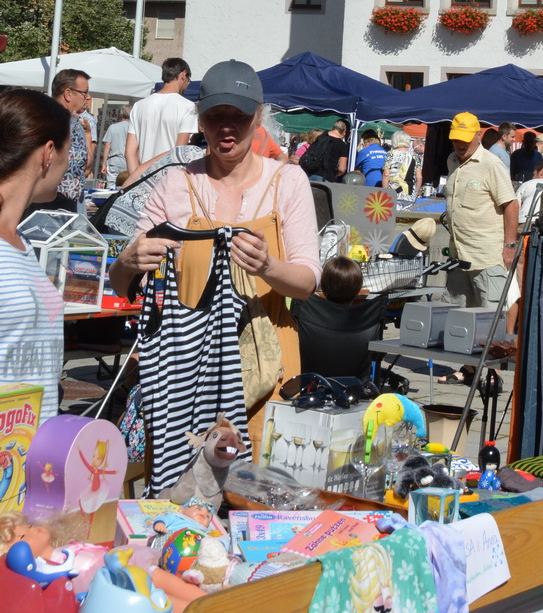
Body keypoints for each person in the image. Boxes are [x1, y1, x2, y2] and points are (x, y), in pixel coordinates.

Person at [110, 59, 322, 450]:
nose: (227, 127)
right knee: (184, 496)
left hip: (267, 370)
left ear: (258, 117)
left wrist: (267, 266)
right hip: (186, 376)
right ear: (200, 120)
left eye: (238, 116)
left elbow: (307, 283)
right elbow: (123, 283)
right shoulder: (177, 182)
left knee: (254, 499)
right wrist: (127, 261)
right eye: (215, 116)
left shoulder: (287, 181)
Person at [0, 88, 73, 417]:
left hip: (28, 458)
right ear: (47, 153)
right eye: (67, 151)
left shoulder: (22, 241)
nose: (68, 163)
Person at [443, 111, 518, 306]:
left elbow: (511, 204)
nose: (460, 144)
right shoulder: (451, 161)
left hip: (486, 259)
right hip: (458, 258)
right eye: (456, 139)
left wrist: (510, 246)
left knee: (488, 326)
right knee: (458, 325)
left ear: (478, 136)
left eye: (465, 139)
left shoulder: (491, 164)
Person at [291, 256, 395, 379]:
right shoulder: (369, 313)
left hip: (310, 386)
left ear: (323, 285)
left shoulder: (307, 307)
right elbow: (377, 355)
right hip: (354, 389)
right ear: (358, 288)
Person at [123, 57, 199, 182]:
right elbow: (179, 153)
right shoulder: (188, 107)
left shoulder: (139, 106)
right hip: (169, 182)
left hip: (142, 180)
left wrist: (136, 180)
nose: (187, 85)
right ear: (183, 75)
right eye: (188, 81)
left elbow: (129, 152)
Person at [50, 68, 92, 209]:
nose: (87, 97)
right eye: (84, 92)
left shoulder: (77, 124)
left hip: (71, 205)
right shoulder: (45, 121)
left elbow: (86, 168)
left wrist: (88, 136)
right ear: (68, 94)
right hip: (45, 206)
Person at [299, 118, 349, 182]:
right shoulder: (342, 145)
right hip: (326, 178)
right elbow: (342, 168)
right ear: (344, 131)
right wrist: (336, 175)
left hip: (310, 174)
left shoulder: (321, 137)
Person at [101, 104, 132, 185]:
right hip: (127, 162)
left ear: (120, 114)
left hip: (113, 162)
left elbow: (107, 146)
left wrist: (104, 163)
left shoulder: (112, 127)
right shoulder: (132, 128)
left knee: (111, 187)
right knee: (125, 186)